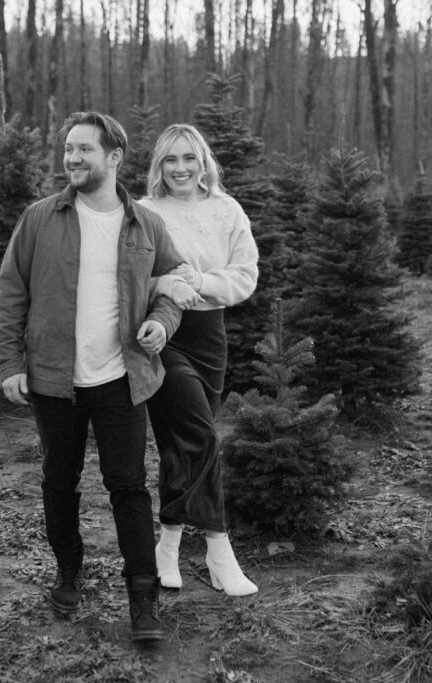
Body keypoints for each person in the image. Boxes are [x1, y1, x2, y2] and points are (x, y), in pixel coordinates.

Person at [0, 111, 184, 642]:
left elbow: (172, 287)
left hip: (123, 380)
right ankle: (69, 572)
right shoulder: (39, 218)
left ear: (114, 158)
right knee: (59, 480)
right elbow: (11, 292)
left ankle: (142, 599)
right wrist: (9, 364)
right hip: (55, 382)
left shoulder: (147, 224)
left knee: (129, 488)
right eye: (68, 149)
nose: (71, 159)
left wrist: (160, 324)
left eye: (84, 150)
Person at [138, 123, 260, 597]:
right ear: (159, 166)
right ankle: (218, 550)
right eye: (171, 160)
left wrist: (201, 281)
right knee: (202, 433)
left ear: (204, 162)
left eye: (189, 158)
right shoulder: (145, 211)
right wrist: (169, 286)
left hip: (210, 335)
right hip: (161, 333)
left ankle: (166, 546)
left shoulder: (226, 209)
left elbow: (245, 276)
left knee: (182, 443)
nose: (181, 168)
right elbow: (126, 277)